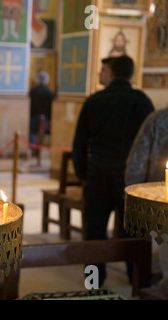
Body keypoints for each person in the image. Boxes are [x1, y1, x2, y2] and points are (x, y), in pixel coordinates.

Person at [72, 55, 155, 288]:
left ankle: (93, 284)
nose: (100, 74)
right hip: (130, 178)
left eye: (103, 70)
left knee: (94, 232)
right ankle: (137, 282)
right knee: (133, 232)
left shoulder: (94, 101)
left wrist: (83, 176)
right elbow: (150, 144)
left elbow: (79, 143)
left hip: (97, 174)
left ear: (112, 73)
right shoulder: (141, 101)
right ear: (130, 75)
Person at [125, 107, 168, 290]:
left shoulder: (159, 119)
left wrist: (133, 202)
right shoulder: (158, 120)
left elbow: (136, 166)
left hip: (161, 205)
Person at [28, 70, 54, 157]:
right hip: (44, 116)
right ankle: (38, 150)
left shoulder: (33, 91)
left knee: (32, 132)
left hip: (33, 115)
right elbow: (50, 107)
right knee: (41, 134)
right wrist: (50, 119)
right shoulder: (49, 92)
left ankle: (33, 149)